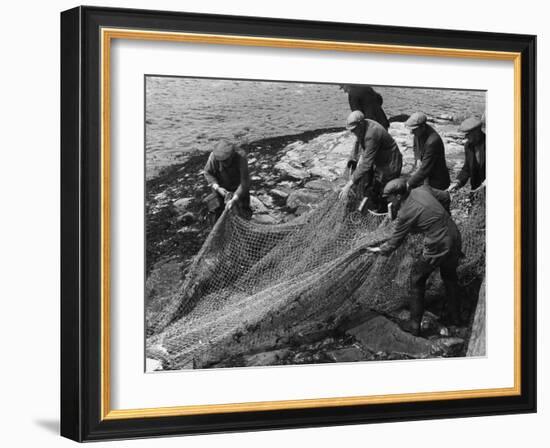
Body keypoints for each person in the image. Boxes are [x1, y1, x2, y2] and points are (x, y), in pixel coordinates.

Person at [367, 178, 462, 336]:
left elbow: (395, 240)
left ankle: (414, 326)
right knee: (450, 277)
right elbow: (445, 196)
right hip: (454, 233)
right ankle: (456, 318)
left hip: (438, 244)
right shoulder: (422, 189)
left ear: (398, 196)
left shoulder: (405, 213)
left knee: (417, 279)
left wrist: (379, 249)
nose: (387, 200)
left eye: (388, 197)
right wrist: (442, 216)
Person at [339, 111, 403, 213]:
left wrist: (349, 184)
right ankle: (374, 206)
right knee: (373, 187)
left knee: (385, 191)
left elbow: (366, 164)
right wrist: (356, 159)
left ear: (360, 124)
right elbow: (361, 145)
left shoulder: (372, 134)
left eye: (354, 129)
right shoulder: (364, 125)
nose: (352, 132)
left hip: (390, 163)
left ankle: (384, 214)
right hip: (380, 160)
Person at [203, 140, 252, 224]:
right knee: (217, 210)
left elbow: (244, 183)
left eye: (226, 160)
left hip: (238, 188)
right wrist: (217, 187)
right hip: (221, 188)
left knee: (243, 211)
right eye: (221, 161)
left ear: (232, 155)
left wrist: (235, 198)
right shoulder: (213, 157)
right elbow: (208, 173)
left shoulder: (241, 157)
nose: (224, 163)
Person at [405, 112, 451, 191]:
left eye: (414, 130)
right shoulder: (418, 133)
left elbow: (425, 169)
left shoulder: (433, 141)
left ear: (422, 127)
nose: (412, 132)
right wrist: (418, 158)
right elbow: (416, 147)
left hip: (437, 181)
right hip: (426, 177)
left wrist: (408, 183)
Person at [448, 117, 486, 192]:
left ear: (477, 132)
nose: (465, 137)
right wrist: (458, 182)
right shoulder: (468, 146)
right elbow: (467, 168)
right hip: (476, 188)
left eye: (468, 134)